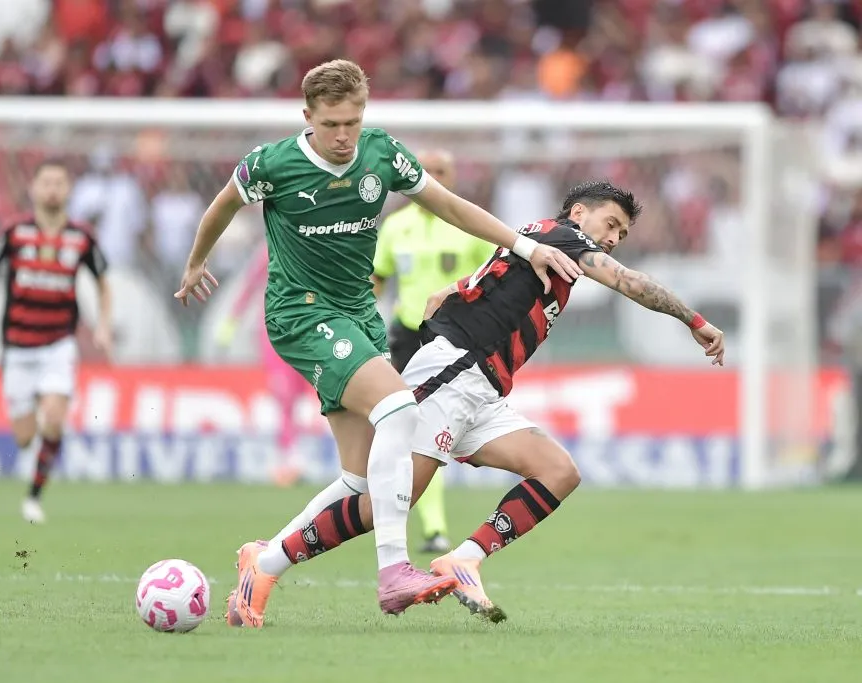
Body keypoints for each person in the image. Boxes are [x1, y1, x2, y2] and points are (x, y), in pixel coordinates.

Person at [174, 58, 583, 627]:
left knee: (364, 480)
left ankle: (261, 565)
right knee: (397, 406)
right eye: (331, 124)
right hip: (301, 314)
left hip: (360, 318)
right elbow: (223, 203)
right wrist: (197, 262)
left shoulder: (381, 154)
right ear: (308, 117)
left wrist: (526, 245)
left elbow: (450, 206)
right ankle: (394, 572)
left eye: (353, 122)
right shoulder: (272, 163)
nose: (343, 136)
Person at [237, 181, 725, 624]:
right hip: (455, 370)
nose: (614, 238)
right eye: (611, 224)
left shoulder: (542, 243)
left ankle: (465, 557)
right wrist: (695, 321)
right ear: (579, 212)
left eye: (622, 232)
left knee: (558, 471)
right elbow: (631, 283)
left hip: (484, 388)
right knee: (380, 501)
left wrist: (452, 291)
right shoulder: (563, 236)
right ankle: (268, 562)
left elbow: (477, 282)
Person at [0, 159, 113, 524]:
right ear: (33, 189)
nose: (52, 189)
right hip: (17, 348)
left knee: (53, 420)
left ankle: (34, 498)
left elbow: (103, 282)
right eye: (46, 182)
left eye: (59, 182)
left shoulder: (81, 238)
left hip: (58, 344)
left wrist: (103, 325)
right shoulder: (14, 232)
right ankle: (36, 419)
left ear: (69, 190)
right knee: (24, 437)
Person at [372, 149, 492, 553]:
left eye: (442, 171)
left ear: (453, 177)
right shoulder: (395, 227)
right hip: (407, 334)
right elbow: (378, 278)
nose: (435, 177)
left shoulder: (466, 224)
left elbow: (491, 278)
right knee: (406, 427)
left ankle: (431, 526)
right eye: (429, 171)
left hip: (452, 339)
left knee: (432, 430)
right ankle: (425, 525)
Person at [217, 242, 314, 486]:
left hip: (303, 332)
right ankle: (288, 457)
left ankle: (294, 453)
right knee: (284, 396)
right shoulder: (268, 252)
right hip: (273, 334)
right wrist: (231, 324)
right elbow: (249, 287)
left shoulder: (307, 246)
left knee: (300, 395)